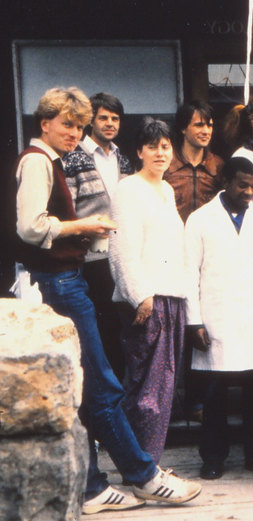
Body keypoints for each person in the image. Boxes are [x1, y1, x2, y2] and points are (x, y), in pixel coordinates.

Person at [15, 87, 200, 514]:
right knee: (102, 386)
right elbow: (30, 227)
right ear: (45, 123)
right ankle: (143, 475)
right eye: (67, 124)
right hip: (59, 281)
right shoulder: (38, 161)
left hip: (68, 278)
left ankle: (96, 486)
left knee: (92, 386)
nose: (74, 133)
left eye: (79, 126)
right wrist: (85, 225)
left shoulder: (52, 161)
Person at [184, 157, 253, 480]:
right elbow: (189, 273)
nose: (248, 191)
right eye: (242, 185)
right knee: (214, 394)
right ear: (226, 182)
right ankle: (213, 457)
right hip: (216, 318)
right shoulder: (200, 220)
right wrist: (194, 321)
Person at [109, 119, 187, 465]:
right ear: (139, 151)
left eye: (166, 146)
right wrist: (140, 294)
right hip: (146, 300)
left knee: (163, 388)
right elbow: (122, 247)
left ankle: (147, 463)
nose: (160, 153)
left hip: (171, 297)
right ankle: (137, 465)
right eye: (152, 146)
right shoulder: (128, 189)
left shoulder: (166, 190)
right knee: (145, 391)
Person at [62, 92, 133, 381]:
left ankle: (118, 394)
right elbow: (68, 208)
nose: (109, 123)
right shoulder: (74, 157)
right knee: (100, 330)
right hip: (91, 258)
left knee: (121, 328)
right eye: (103, 117)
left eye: (115, 118)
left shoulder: (123, 159)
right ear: (91, 120)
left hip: (122, 254)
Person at [163, 100, 225, 222]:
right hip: (173, 236)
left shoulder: (218, 165)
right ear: (183, 129)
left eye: (210, 125)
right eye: (199, 125)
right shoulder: (166, 162)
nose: (206, 131)